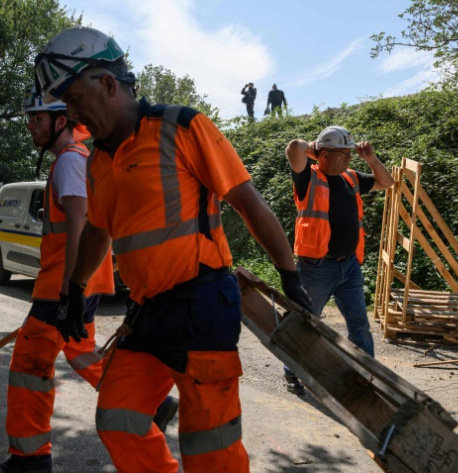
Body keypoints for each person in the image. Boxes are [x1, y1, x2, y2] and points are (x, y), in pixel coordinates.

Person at [34, 26, 312, 473]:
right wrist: (74, 290)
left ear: (107, 83)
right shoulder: (98, 161)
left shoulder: (181, 127)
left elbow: (247, 202)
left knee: (211, 451)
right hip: (146, 313)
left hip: (203, 305)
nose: (73, 115)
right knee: (118, 419)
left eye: (74, 100)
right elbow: (96, 233)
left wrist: (289, 274)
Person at [0, 88, 177, 473]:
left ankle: (30, 459)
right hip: (73, 284)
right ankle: (154, 404)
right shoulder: (77, 160)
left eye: (36, 119)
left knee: (29, 364)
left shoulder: (71, 161)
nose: (30, 127)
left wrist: (67, 292)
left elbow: (80, 225)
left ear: (61, 122)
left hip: (63, 285)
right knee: (80, 351)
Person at [283, 126, 393, 395]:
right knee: (306, 322)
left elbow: (387, 182)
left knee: (359, 324)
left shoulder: (352, 178)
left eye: (349, 153)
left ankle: (366, 377)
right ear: (323, 155)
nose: (348, 159)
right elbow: (294, 148)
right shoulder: (307, 179)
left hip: (349, 266)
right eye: (342, 154)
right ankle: (292, 371)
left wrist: (370, 158)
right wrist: (318, 149)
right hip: (316, 269)